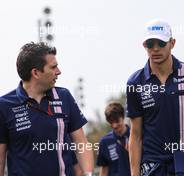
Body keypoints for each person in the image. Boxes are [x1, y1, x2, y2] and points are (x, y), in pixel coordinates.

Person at [126, 19, 184, 176]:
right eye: (150, 44)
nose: (155, 49)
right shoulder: (135, 82)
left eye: (161, 43)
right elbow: (135, 135)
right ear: (144, 46)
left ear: (172, 43)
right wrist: (134, 174)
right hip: (152, 167)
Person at [0, 42, 94, 176]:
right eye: (53, 67)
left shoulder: (64, 96)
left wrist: (89, 174)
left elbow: (81, 144)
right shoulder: (4, 106)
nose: (59, 71)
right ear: (36, 73)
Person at [96, 102, 131, 176]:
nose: (114, 125)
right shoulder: (104, 142)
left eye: (117, 121)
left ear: (123, 117)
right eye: (111, 122)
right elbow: (104, 170)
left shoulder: (135, 137)